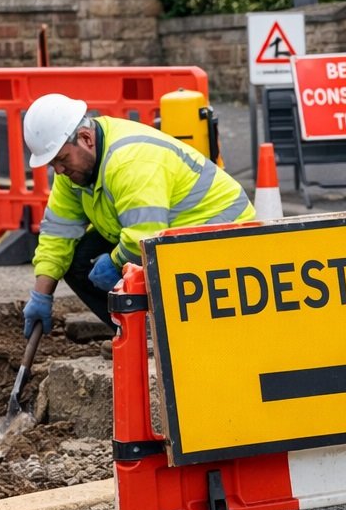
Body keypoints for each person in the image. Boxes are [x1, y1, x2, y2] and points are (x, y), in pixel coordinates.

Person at [20, 92, 255, 336]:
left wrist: (114, 263)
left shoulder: (129, 160)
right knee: (79, 262)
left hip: (219, 231)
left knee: (132, 266)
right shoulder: (73, 173)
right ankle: (138, 336)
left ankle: (166, 338)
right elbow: (57, 234)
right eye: (52, 164)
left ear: (86, 138)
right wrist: (41, 294)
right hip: (166, 230)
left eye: (62, 159)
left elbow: (144, 238)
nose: (58, 170)